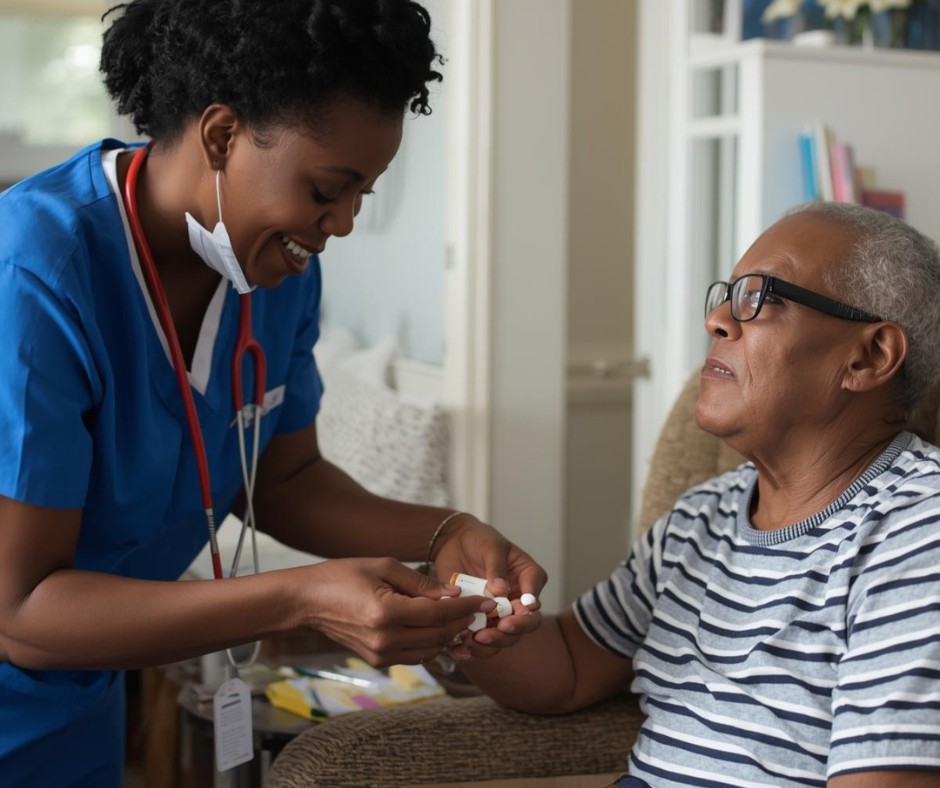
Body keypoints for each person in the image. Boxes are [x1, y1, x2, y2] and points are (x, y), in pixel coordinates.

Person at [0, 1, 545, 784]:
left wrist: (443, 531)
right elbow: (22, 612)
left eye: (365, 194)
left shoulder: (275, 272)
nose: (344, 224)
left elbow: (282, 481)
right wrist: (300, 598)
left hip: (79, 700)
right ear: (222, 136)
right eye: (330, 188)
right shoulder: (37, 273)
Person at [453, 202, 940, 787]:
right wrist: (473, 617)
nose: (716, 319)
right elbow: (571, 670)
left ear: (868, 357)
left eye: (763, 299)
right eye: (726, 295)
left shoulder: (917, 533)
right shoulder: (698, 519)